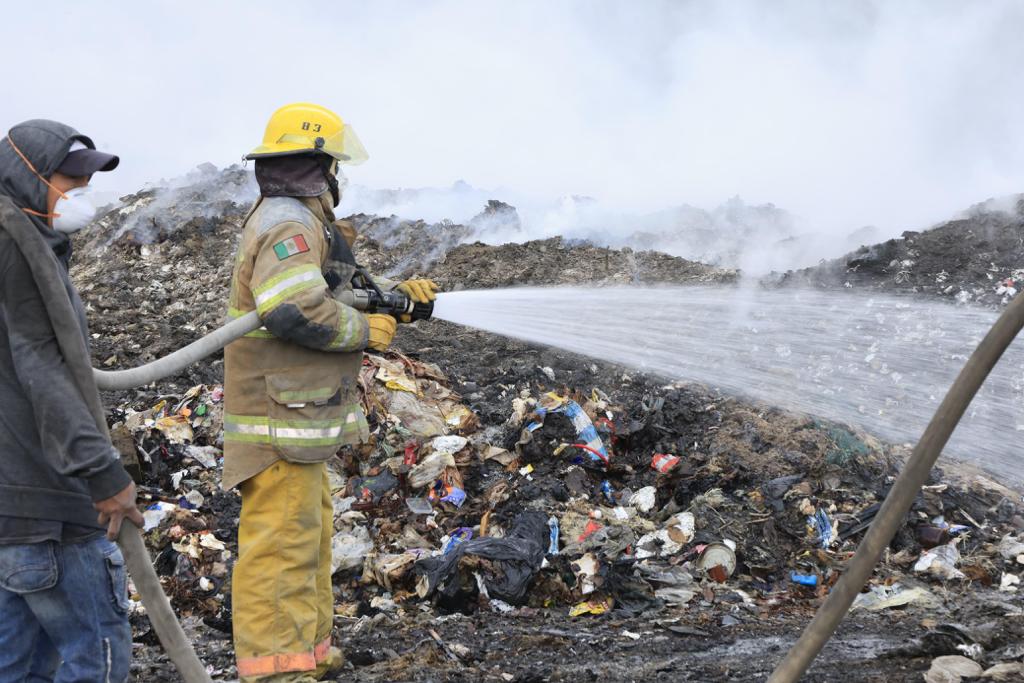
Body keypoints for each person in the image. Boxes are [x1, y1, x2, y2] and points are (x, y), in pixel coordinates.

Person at [225, 102, 438, 682]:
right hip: (276, 420)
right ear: (317, 165)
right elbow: (293, 307)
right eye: (333, 164)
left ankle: (309, 654)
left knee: (307, 537)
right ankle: (277, 672)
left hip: (296, 417)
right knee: (282, 550)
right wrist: (365, 331)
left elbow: (331, 287)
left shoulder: (298, 216)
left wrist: (395, 296)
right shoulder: (288, 223)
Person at [0, 119, 143, 683]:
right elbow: (42, 368)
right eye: (70, 179)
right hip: (48, 508)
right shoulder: (19, 251)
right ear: (27, 176)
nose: (81, 191)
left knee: (16, 668)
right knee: (95, 662)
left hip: (10, 508)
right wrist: (102, 473)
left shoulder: (22, 240)